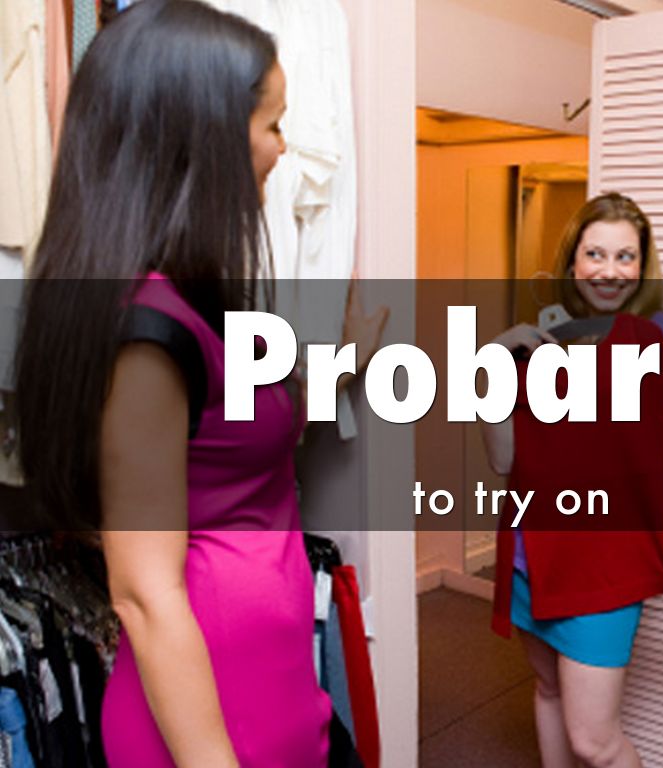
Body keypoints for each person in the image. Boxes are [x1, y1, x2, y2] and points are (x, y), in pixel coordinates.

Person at [14, 2, 386, 766]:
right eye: (272, 124)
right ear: (205, 137)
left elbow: (237, 434)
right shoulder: (146, 330)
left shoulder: (194, 297)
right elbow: (143, 594)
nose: (283, 148)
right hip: (212, 721)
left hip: (271, 685)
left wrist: (345, 363)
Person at [483, 193, 663, 768]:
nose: (609, 271)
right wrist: (495, 362)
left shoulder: (661, 337)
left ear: (642, 266)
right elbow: (502, 460)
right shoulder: (540, 341)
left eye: (625, 256)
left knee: (595, 743)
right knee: (548, 691)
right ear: (572, 260)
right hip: (529, 556)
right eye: (595, 254)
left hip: (606, 566)